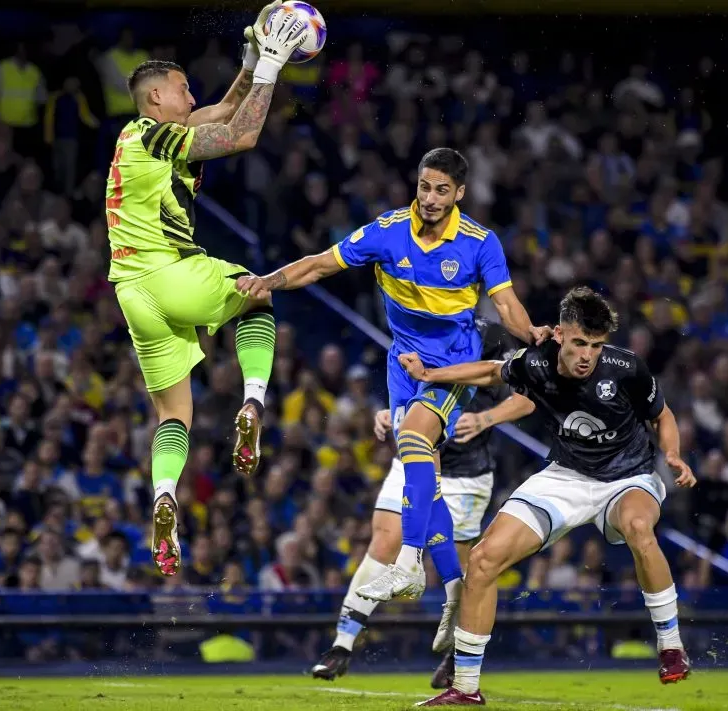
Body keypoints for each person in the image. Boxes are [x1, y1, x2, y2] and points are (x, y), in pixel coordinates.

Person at [238, 147, 545, 606]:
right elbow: (322, 263)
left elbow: (507, 308)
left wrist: (534, 332)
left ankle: (408, 563)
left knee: (415, 441)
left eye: (442, 190)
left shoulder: (481, 242)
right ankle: (452, 586)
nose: (431, 197)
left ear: (459, 193)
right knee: (423, 472)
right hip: (401, 364)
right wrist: (269, 279)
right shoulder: (389, 230)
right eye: (425, 186)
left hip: (450, 365)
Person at [400, 287, 697, 706]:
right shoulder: (534, 364)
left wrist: (672, 454)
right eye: (579, 343)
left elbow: (662, 415)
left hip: (628, 477)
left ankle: (670, 645)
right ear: (560, 334)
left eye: (595, 346)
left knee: (637, 526)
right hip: (565, 476)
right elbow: (491, 371)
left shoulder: (626, 368)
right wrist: (429, 375)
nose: (587, 356)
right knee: (484, 560)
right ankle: (465, 688)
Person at [104, 3, 311, 576]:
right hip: (170, 271)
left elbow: (221, 110)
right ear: (155, 100)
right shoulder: (151, 135)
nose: (191, 98)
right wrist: (271, 69)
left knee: (174, 414)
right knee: (260, 291)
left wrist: (250, 66)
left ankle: (163, 496)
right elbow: (240, 135)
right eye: (182, 90)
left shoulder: (135, 137)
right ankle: (253, 401)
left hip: (131, 292)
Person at [311, 320, 536, 686]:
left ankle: (459, 653)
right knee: (384, 541)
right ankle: (342, 644)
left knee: (465, 566)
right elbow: (409, 386)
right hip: (413, 458)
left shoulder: (491, 334)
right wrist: (392, 414)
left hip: (464, 471)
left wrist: (485, 418)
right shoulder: (414, 320)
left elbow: (529, 396)